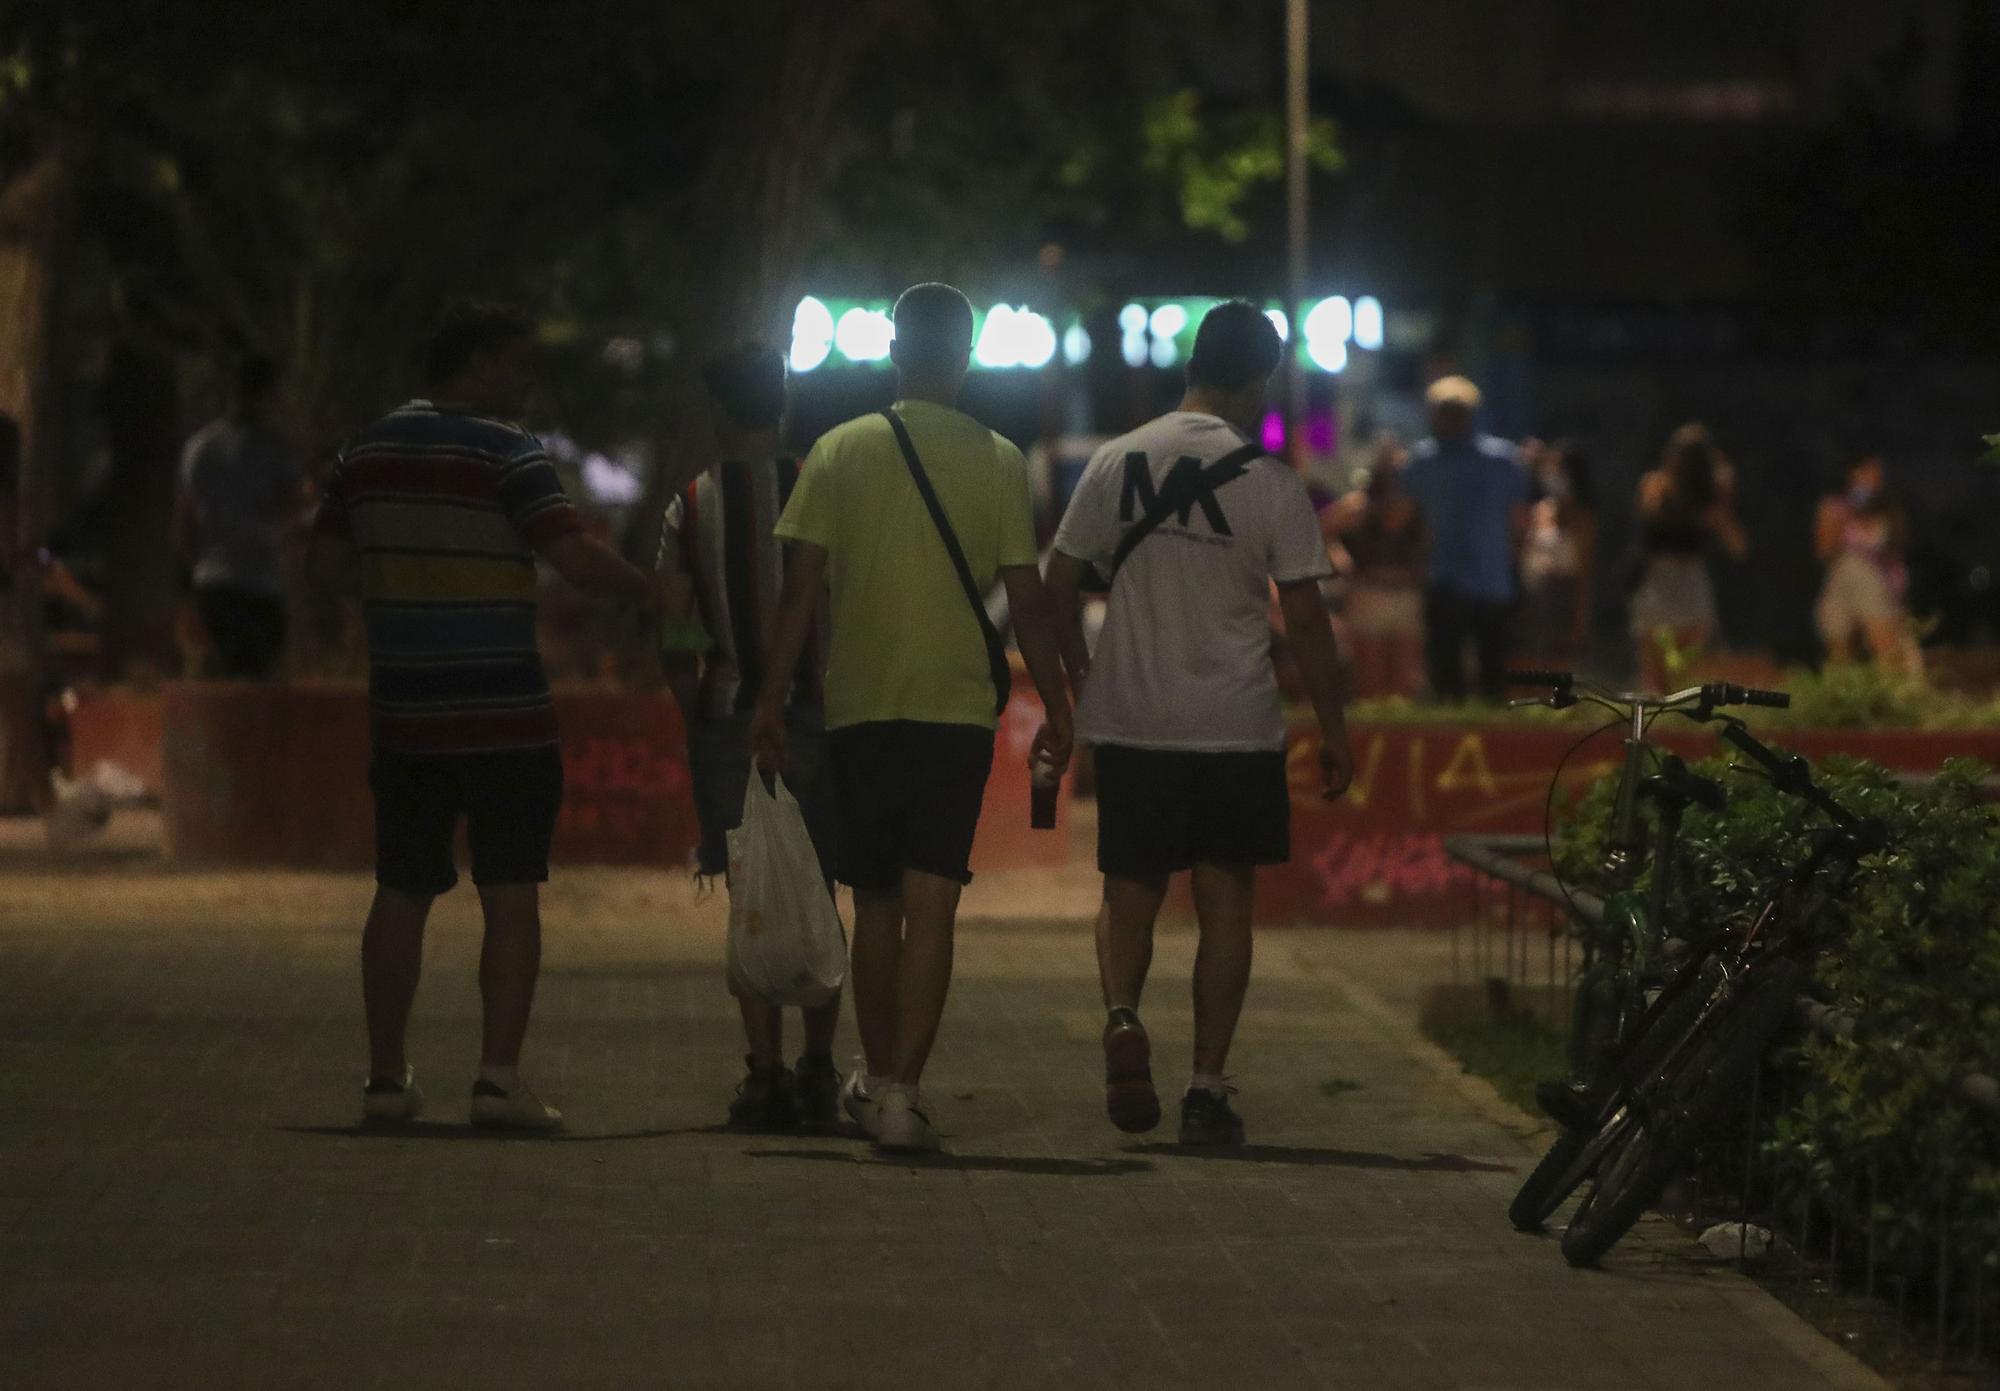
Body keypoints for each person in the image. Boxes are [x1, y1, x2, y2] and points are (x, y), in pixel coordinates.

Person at [305, 300, 657, 1131]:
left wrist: (403, 593)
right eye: (513, 363)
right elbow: (570, 556)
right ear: (475, 364)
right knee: (509, 892)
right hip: (505, 712)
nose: (523, 379)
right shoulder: (509, 452)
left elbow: (323, 569)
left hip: (406, 711)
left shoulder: (363, 452)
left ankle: (386, 1082)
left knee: (400, 887)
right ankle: (497, 1083)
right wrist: (651, 590)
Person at [749, 282, 1074, 1154]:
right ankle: (901, 1091)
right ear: (965, 356)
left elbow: (799, 594)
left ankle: (875, 1074)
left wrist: (771, 700)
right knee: (936, 900)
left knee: (877, 904)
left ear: (892, 351)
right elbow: (1029, 599)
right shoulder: (1000, 457)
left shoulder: (837, 449)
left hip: (861, 706)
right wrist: (1059, 703)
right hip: (957, 707)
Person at [1045, 301, 1355, 1146]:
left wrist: (1077, 677)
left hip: (1135, 721)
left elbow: (1055, 584)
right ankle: (1207, 1089)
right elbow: (1309, 621)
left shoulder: (1115, 461)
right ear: (1260, 379)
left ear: (1192, 364)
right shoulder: (1272, 481)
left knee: (1129, 892)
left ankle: (1120, 1018)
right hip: (1234, 726)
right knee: (1226, 905)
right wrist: (1335, 728)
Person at [657, 342, 845, 1133]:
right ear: (782, 407)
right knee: (821, 887)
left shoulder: (690, 505)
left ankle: (763, 1073)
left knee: (751, 892)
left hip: (730, 714)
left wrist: (693, 705)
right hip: (822, 714)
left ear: (719, 412)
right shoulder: (820, 490)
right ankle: (817, 1068)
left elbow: (673, 628)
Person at [1400, 376, 1529, 703]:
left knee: (1488, 671)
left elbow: (1518, 523)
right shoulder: (1426, 460)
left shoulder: (1499, 460)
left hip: (1479, 577)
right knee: (1452, 673)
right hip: (1457, 576)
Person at [175, 355, 305, 679]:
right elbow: (295, 512)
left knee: (220, 683)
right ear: (266, 396)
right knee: (258, 686)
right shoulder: (274, 449)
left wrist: (194, 572)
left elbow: (184, 522)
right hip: (259, 587)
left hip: (215, 584)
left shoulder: (200, 447)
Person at [1629, 423, 1748, 693]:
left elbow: (1738, 546)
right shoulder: (1656, 486)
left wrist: (1719, 486)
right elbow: (1650, 515)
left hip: (1690, 578)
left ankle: (1677, 713)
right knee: (1653, 660)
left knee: (1687, 663)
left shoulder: (1710, 495)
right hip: (1657, 577)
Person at [1336, 436, 1426, 699]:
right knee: (1369, 679)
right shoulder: (1359, 505)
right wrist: (1342, 561)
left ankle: (1402, 736)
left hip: (1406, 592)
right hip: (1369, 591)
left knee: (1404, 681)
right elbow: (1321, 531)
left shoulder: (1417, 507)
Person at [1814, 452, 1918, 674]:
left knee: (1889, 652)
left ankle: (1897, 696)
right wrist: (1842, 519)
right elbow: (1824, 551)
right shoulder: (1836, 507)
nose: (1876, 477)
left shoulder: (1889, 510)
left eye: (1878, 472)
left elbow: (1897, 551)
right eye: (1869, 472)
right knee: (1840, 653)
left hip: (1880, 582)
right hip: (1846, 579)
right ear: (1853, 474)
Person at [1516, 439, 1598, 665]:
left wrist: (1579, 623)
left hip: (1563, 600)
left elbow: (1585, 574)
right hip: (1532, 598)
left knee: (1557, 668)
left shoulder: (1582, 518)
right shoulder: (1541, 510)